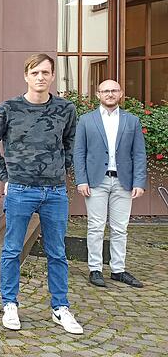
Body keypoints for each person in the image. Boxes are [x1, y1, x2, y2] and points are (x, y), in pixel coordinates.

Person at [0, 53, 83, 334]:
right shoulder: (8, 109)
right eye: (35, 72)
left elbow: (70, 144)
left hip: (55, 191)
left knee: (57, 252)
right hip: (19, 190)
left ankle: (60, 307)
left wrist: (59, 171)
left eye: (46, 73)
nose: (41, 77)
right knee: (12, 249)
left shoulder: (66, 110)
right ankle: (10, 304)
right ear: (26, 76)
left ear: (53, 76)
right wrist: (6, 176)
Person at [74, 79, 147, 288]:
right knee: (96, 226)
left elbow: (139, 154)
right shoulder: (86, 120)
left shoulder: (131, 121)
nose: (110, 94)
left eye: (114, 90)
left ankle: (118, 269)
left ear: (121, 93)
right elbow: (79, 153)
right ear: (98, 94)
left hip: (123, 181)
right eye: (105, 91)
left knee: (120, 228)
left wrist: (139, 182)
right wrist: (81, 180)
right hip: (96, 181)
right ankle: (95, 268)